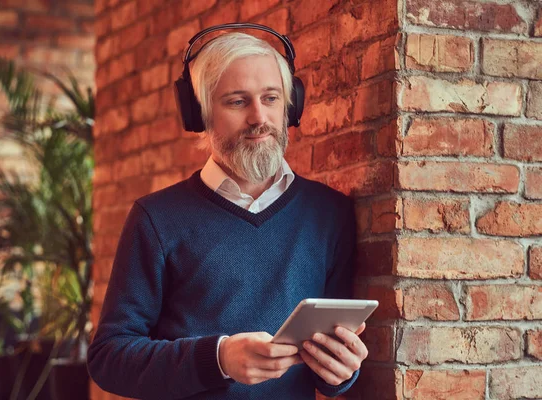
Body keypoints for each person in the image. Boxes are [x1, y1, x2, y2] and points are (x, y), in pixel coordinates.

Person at [87, 27, 368, 400]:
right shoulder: (155, 218)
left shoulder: (330, 213)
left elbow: (329, 370)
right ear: (199, 113)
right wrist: (217, 358)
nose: (259, 117)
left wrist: (340, 371)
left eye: (271, 98)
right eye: (237, 102)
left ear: (291, 105)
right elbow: (109, 357)